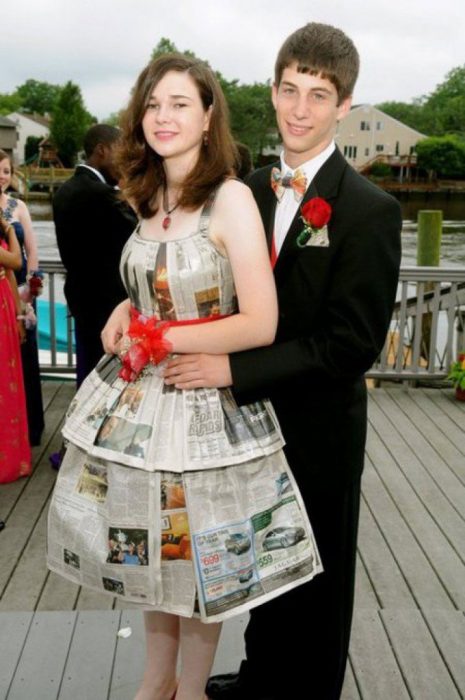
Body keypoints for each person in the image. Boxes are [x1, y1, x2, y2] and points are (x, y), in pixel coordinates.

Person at [47, 54, 321, 700]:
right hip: (142, 404)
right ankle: (155, 680)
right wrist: (125, 310)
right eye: (152, 105)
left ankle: (189, 690)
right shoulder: (147, 198)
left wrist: (160, 335)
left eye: (178, 104)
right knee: (148, 550)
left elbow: (259, 319)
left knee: (200, 560)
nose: (162, 116)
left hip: (202, 404)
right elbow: (154, 283)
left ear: (206, 117)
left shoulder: (229, 198)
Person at [163, 23, 402, 700]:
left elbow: (350, 344)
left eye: (318, 95)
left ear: (343, 106)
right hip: (240, 424)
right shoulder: (242, 188)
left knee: (317, 577)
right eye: (289, 90)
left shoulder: (369, 211)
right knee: (257, 562)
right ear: (271, 92)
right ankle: (259, 677)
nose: (299, 109)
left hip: (318, 425)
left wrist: (232, 371)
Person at [53, 124, 137, 387]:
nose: (123, 162)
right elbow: (139, 236)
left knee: (88, 372)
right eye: (120, 153)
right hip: (109, 304)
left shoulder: (65, 190)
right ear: (102, 150)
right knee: (108, 378)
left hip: (80, 298)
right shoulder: (103, 196)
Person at [0, 150, 45, 446]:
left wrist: (32, 283)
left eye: (5, 170)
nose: (1, 176)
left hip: (20, 294)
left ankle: (29, 428)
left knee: (25, 358)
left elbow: (31, 248)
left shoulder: (18, 206)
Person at [0, 212, 32, 484]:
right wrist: (9, 228)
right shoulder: (4, 230)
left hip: (4, 308)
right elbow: (15, 260)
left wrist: (19, 315)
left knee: (8, 380)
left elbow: (9, 272)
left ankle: (12, 457)